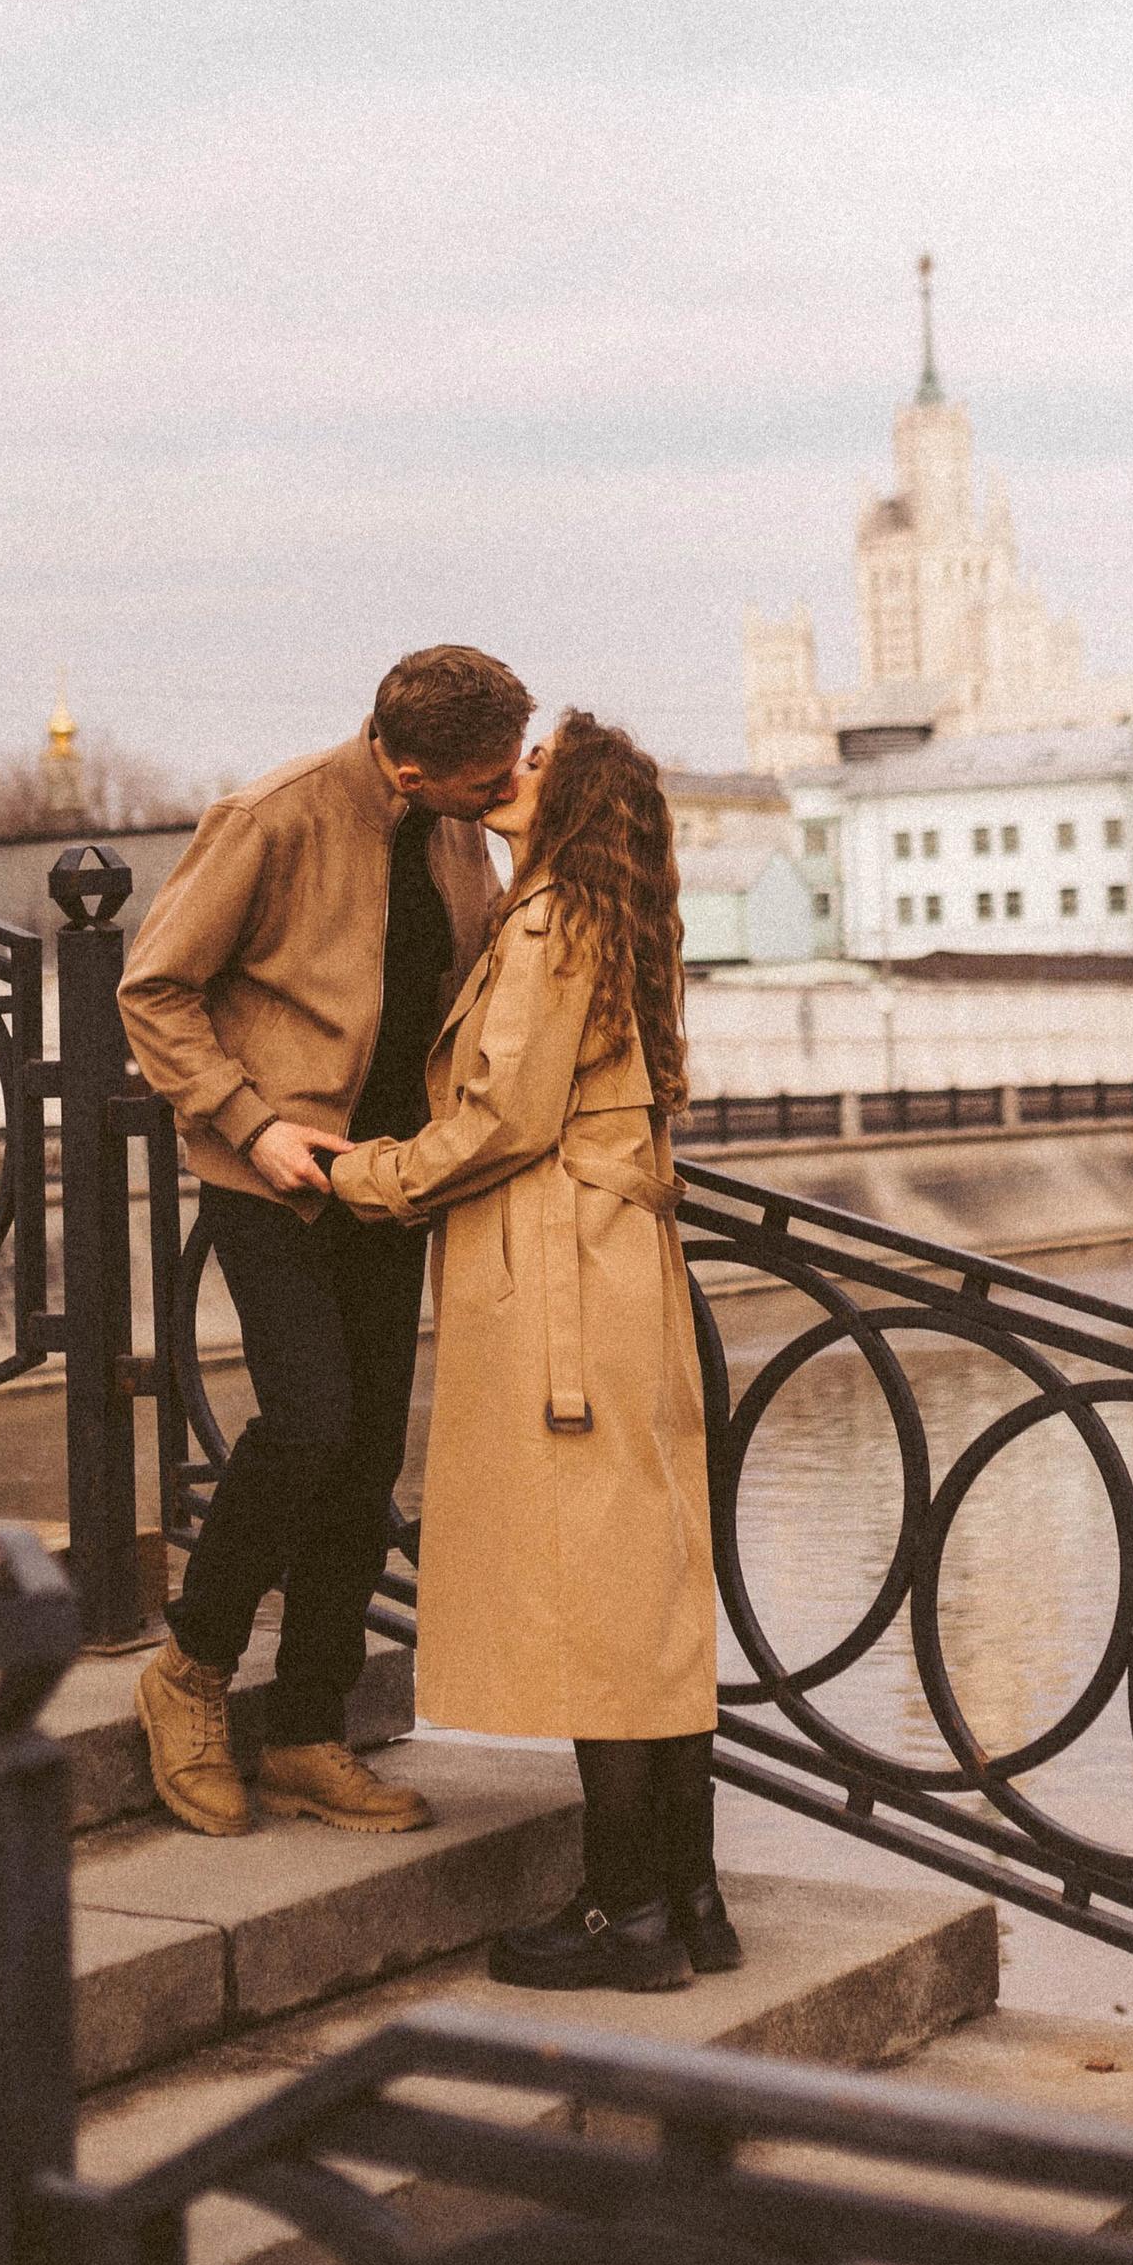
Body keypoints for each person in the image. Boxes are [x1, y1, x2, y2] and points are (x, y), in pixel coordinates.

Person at [310, 712, 735, 1991]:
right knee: (649, 1591)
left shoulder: (550, 921)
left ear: (577, 801)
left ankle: (624, 1912)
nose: (513, 771)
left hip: (561, 1280)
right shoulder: (614, 917)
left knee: (597, 1600)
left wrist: (365, 1174)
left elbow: (504, 1116)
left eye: (538, 763)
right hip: (620, 1271)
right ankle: (689, 1894)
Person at [117, 645, 534, 1837]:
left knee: (364, 1458)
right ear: (409, 768)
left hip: (388, 1183)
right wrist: (251, 1125)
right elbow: (153, 989)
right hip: (271, 1179)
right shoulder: (270, 819)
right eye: (488, 780)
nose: (504, 791)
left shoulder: (456, 828)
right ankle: (190, 1670)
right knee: (309, 1422)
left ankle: (306, 1730)